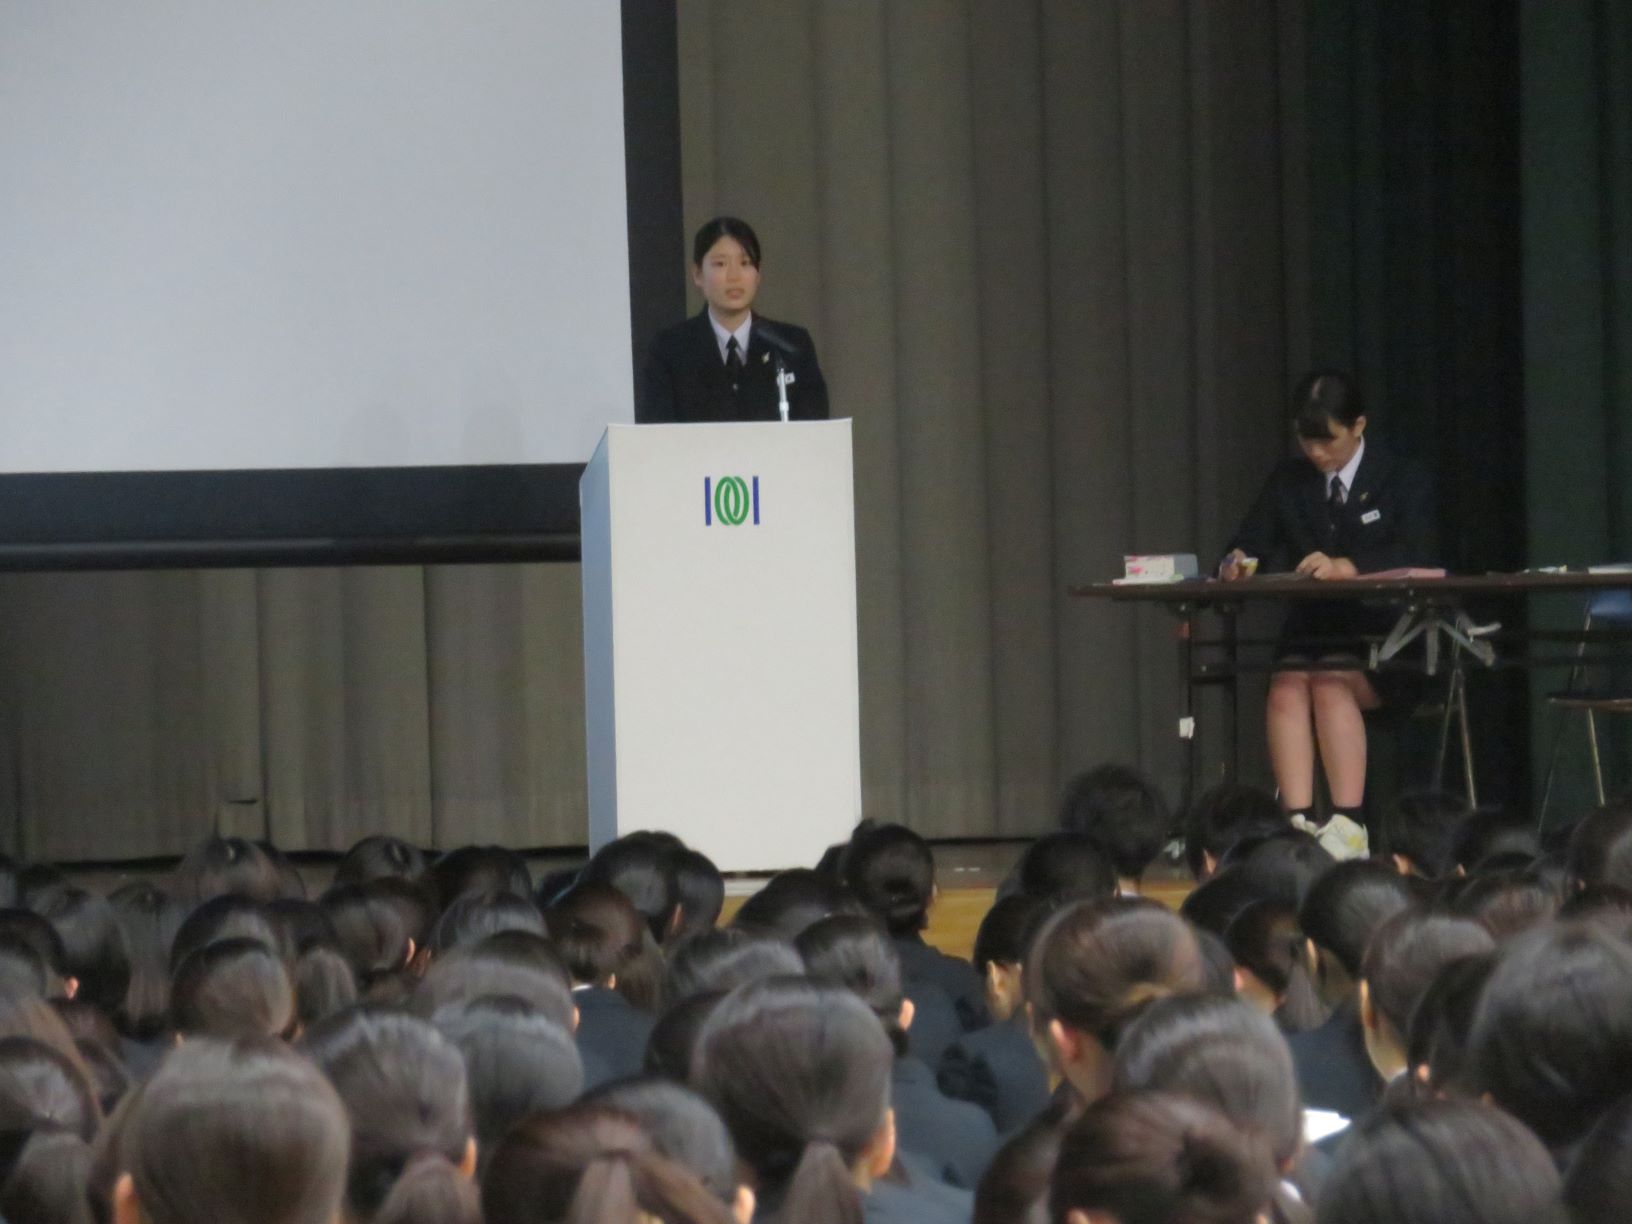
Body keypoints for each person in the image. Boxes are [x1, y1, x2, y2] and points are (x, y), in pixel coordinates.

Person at [1221, 371, 1435, 851]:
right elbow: (1250, 540)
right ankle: (1295, 821)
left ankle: (1349, 823)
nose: (1316, 453)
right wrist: (1236, 562)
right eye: (1306, 441)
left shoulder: (1401, 476)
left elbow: (1420, 552)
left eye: (1328, 441)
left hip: (1386, 635)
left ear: (1358, 425)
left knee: (1329, 682)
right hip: (1313, 630)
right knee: (1285, 686)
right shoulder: (1289, 480)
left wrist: (1350, 567)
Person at [639, 217, 829, 423]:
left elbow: (816, 427)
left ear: (758, 274)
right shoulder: (670, 349)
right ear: (697, 274)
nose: (734, 276)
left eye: (745, 263)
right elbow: (656, 431)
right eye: (720, 264)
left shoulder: (790, 345)